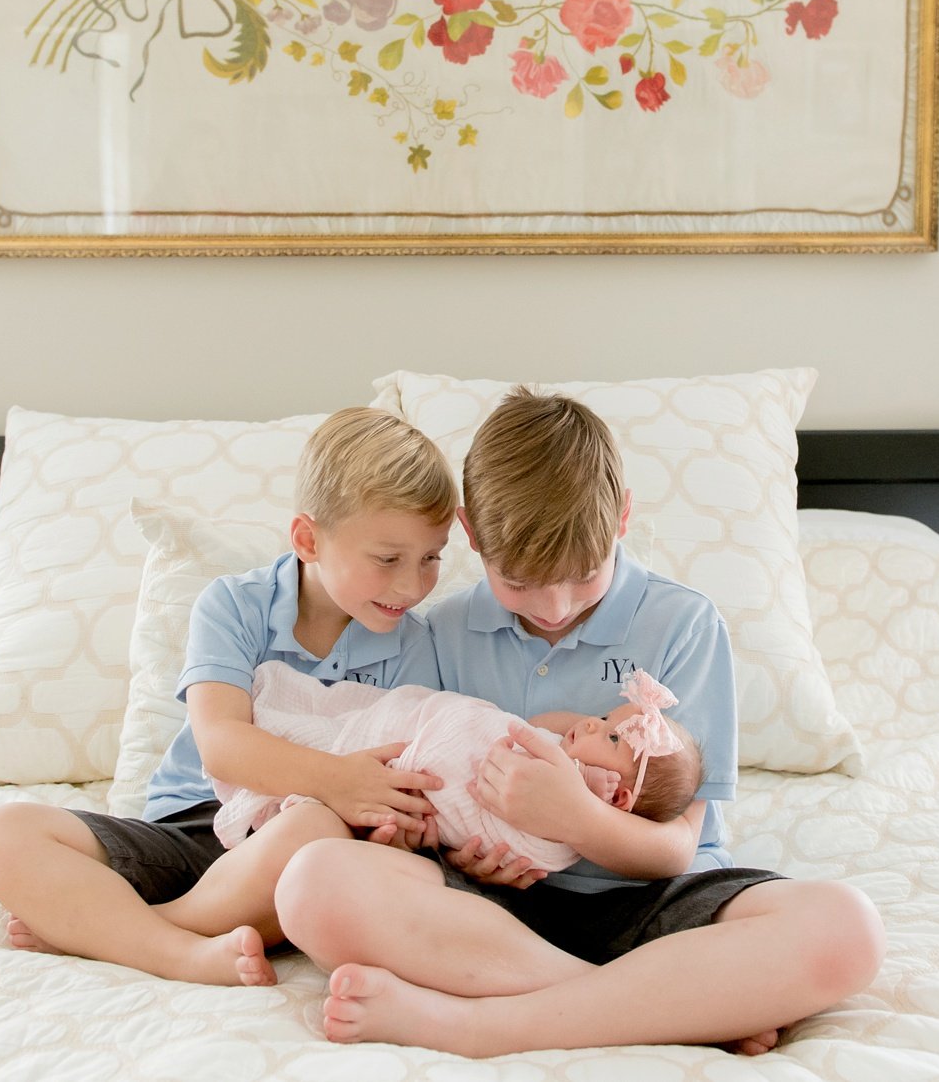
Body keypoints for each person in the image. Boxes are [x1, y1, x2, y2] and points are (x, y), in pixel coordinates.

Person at [271, 388, 884, 1056]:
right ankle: (652, 1003)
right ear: (471, 535)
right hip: (491, 914)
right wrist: (444, 847)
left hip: (650, 897)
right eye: (522, 582)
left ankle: (477, 1027)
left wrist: (575, 818)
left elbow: (678, 846)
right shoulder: (441, 632)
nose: (555, 606)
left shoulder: (680, 624)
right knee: (309, 882)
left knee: (846, 929)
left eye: (582, 577)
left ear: (621, 520)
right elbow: (427, 795)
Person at [0, 407, 457, 986]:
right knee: (4, 836)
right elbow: (223, 745)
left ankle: (119, 928)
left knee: (319, 833)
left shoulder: (419, 646)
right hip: (194, 828)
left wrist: (401, 826)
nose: (412, 584)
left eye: (431, 558)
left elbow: (408, 789)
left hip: (297, 854)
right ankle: (175, 950)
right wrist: (339, 780)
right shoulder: (235, 605)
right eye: (388, 559)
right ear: (308, 540)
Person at [216, 662, 703, 872]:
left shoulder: (569, 824)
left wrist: (586, 796)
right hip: (403, 731)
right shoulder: (559, 749)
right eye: (602, 718)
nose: (592, 726)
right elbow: (526, 726)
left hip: (415, 774)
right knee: (335, 732)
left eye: (613, 737)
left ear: (619, 797)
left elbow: (508, 826)